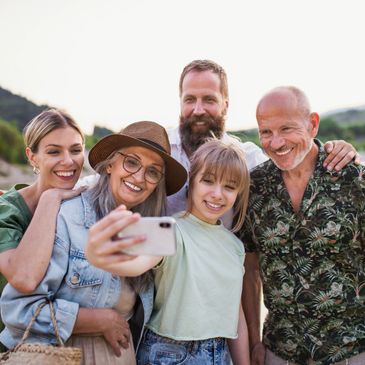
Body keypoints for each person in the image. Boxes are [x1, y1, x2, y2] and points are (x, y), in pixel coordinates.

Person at [0, 121, 187, 365]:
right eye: (132, 162)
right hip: (64, 356)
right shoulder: (68, 216)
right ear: (110, 164)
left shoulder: (151, 230)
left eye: (153, 171)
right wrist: (97, 320)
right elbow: (19, 310)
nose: (139, 177)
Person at [86, 139, 252, 364]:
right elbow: (137, 264)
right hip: (169, 353)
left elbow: (236, 313)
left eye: (229, 187)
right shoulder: (168, 228)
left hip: (220, 354)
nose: (217, 194)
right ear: (192, 181)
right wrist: (102, 258)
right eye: (208, 181)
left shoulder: (235, 246)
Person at [239, 86, 365, 365]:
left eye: (287, 128)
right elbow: (250, 269)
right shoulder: (254, 187)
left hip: (351, 348)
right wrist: (255, 341)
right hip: (280, 349)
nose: (276, 142)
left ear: (313, 124)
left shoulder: (353, 178)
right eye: (266, 132)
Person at [166, 60, 360, 219]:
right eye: (190, 99)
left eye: (209, 100)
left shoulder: (247, 158)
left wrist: (338, 149)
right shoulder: (160, 148)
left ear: (225, 105)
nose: (198, 110)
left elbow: (290, 159)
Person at [0, 109, 85, 351]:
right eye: (54, 151)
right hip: (15, 346)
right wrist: (51, 198)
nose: (68, 160)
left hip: (64, 342)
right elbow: (24, 279)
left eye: (76, 150)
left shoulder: (83, 205)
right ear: (32, 157)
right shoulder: (6, 212)